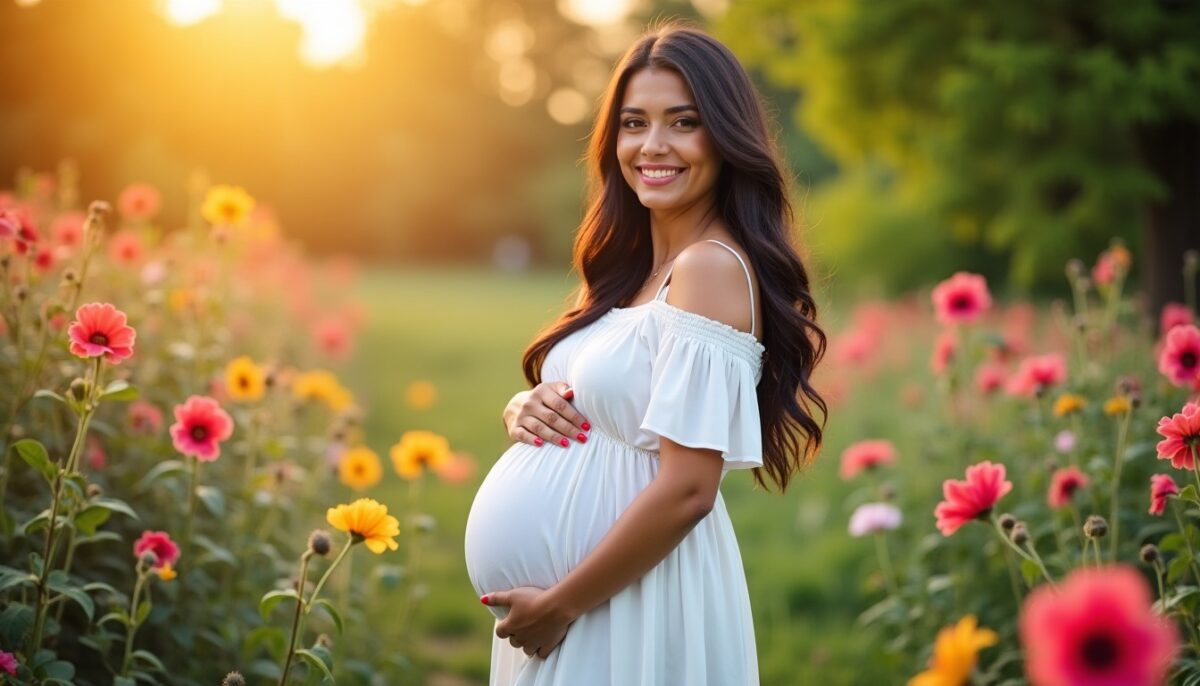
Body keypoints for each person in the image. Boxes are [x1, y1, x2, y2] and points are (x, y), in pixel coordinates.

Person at [463, 22, 826, 686]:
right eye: (634, 123)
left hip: (624, 600)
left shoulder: (709, 269)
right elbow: (599, 397)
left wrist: (561, 603)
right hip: (580, 603)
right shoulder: (633, 271)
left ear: (724, 136)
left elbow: (689, 487)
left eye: (682, 122)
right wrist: (525, 407)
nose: (652, 146)